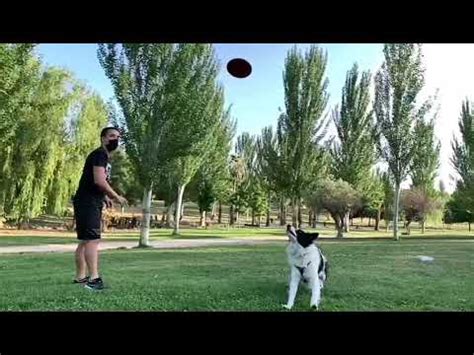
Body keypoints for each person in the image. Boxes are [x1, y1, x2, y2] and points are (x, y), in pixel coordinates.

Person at [73, 127, 128, 290]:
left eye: (117, 137)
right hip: (88, 202)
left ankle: (81, 277)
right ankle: (94, 279)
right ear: (103, 138)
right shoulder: (100, 155)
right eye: (111, 136)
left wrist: (104, 197)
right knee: (92, 240)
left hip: (88, 200)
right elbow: (99, 180)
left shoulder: (102, 156)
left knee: (85, 241)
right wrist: (115, 196)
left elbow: (93, 181)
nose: (115, 140)